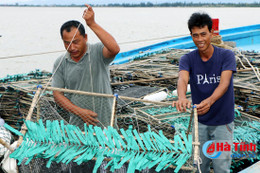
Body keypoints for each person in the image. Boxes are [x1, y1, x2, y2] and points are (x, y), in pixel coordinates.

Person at [172, 12, 236, 173]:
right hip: (200, 122)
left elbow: (224, 84)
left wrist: (209, 101)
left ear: (212, 33)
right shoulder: (187, 59)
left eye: (203, 34)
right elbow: (182, 79)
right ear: (191, 35)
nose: (200, 39)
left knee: (222, 167)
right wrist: (181, 97)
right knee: (200, 165)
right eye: (195, 35)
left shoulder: (226, 56)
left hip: (223, 122)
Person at [51, 4, 120, 130]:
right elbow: (57, 94)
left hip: (105, 121)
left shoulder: (98, 51)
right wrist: (80, 112)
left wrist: (92, 24)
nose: (71, 48)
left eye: (76, 42)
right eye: (67, 43)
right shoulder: (60, 62)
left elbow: (114, 49)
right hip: (77, 125)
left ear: (85, 38)